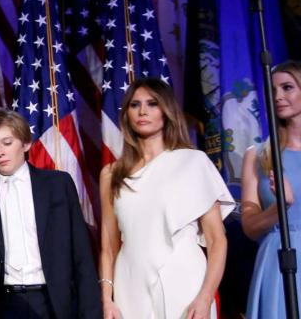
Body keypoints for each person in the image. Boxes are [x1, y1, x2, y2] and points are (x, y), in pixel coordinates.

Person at [99, 78, 235, 319]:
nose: (142, 111)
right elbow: (108, 247)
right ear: (127, 114)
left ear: (167, 111)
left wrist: (205, 297)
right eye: (135, 105)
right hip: (130, 286)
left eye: (152, 104)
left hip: (186, 283)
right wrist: (107, 299)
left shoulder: (194, 162)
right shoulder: (111, 174)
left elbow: (217, 241)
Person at [0, 108, 102, 318]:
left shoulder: (58, 184)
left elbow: (80, 253)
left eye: (7, 143)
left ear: (25, 143)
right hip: (4, 305)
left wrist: (91, 312)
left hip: (54, 302)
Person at [243, 60, 301, 318]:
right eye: (272, 89)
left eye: (287, 87)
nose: (278, 96)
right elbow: (249, 227)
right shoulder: (258, 156)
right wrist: (280, 208)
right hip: (276, 264)